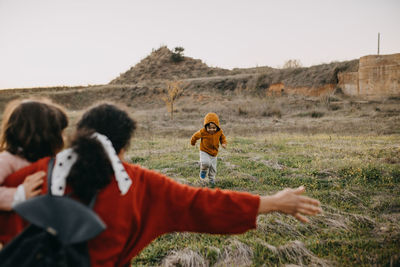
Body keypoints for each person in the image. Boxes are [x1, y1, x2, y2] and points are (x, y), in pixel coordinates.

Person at [1, 103, 321, 267]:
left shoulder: (32, 179)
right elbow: (202, 204)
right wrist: (274, 202)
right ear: (122, 148)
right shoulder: (139, 184)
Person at [0, 99, 68, 211]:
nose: (64, 138)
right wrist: (19, 195)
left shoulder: (50, 161)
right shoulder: (7, 160)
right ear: (43, 135)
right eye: (60, 133)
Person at [191, 112, 227, 186]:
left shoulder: (219, 132)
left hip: (214, 153)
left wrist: (223, 143)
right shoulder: (203, 131)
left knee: (213, 168)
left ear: (217, 127)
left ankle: (212, 180)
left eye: (214, 128)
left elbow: (222, 138)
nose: (211, 129)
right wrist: (193, 142)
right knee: (206, 163)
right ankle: (203, 170)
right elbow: (195, 136)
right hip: (204, 151)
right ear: (206, 126)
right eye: (209, 128)